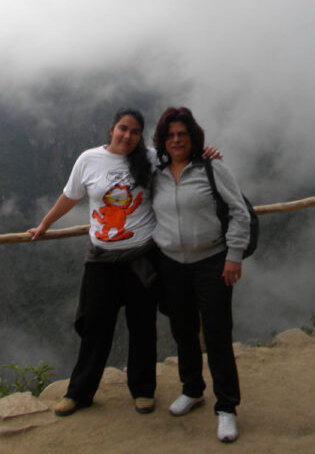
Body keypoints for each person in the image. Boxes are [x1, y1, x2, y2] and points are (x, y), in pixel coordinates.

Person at [28, 108, 219, 417]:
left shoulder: (152, 158)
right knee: (95, 327)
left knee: (142, 326)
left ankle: (143, 391)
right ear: (112, 129)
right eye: (123, 129)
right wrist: (44, 224)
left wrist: (206, 153)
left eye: (134, 131)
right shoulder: (88, 160)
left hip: (141, 257)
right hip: (101, 259)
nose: (127, 135)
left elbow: (184, 160)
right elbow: (70, 196)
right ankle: (79, 392)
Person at [150, 106, 249, 443]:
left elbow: (239, 212)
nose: (177, 140)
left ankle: (226, 407)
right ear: (163, 141)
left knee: (218, 333)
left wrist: (234, 255)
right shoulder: (156, 173)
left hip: (212, 261)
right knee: (184, 331)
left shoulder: (211, 168)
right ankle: (192, 389)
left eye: (183, 134)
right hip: (171, 264)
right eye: (171, 135)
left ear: (193, 137)